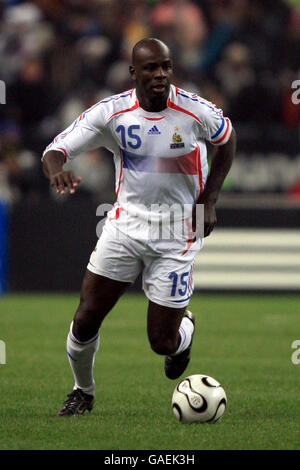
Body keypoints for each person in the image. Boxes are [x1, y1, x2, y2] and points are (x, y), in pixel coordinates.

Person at [42, 38, 236, 416]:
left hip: (178, 232)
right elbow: (56, 150)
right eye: (151, 68)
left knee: (162, 342)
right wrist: (55, 172)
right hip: (125, 227)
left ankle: (185, 331)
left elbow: (227, 140)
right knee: (85, 318)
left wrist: (209, 200)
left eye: (166, 66)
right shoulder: (112, 113)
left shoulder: (195, 111)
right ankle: (83, 391)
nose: (160, 74)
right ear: (134, 73)